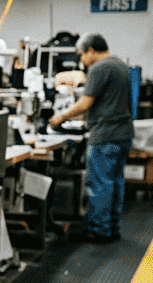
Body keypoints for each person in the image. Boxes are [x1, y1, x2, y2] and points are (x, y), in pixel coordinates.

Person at [49, 33, 134, 243]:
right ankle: (112, 228)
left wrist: (61, 117)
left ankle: (99, 231)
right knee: (115, 183)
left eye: (81, 54)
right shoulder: (120, 65)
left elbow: (85, 103)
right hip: (123, 134)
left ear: (91, 50)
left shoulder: (99, 68)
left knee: (100, 184)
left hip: (105, 135)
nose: (81, 60)